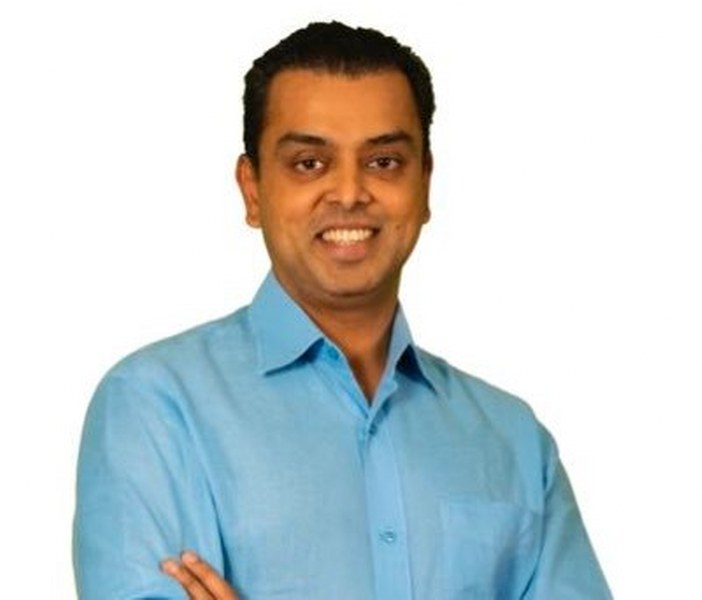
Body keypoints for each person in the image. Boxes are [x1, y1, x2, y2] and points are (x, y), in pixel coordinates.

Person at [73, 21, 612, 599]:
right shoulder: (155, 408)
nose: (351, 192)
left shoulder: (515, 441)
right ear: (252, 190)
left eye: (384, 161)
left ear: (425, 184)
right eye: (309, 163)